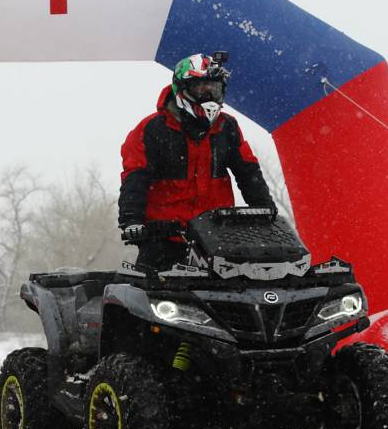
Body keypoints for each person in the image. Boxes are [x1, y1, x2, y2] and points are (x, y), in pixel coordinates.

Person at [118, 52, 277, 269]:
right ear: (182, 88)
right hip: (164, 238)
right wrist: (132, 220)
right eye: (202, 88)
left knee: (239, 294)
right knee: (150, 295)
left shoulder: (227, 126)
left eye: (215, 88)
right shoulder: (152, 129)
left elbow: (248, 172)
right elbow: (135, 177)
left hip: (218, 238)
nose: (209, 95)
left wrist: (265, 210)